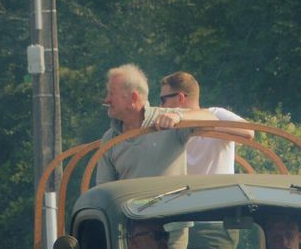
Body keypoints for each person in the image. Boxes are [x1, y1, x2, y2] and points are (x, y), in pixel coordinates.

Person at [95, 64, 224, 185]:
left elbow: (211, 119)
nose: (107, 100)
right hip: (129, 209)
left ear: (133, 98)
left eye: (111, 93)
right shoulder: (110, 139)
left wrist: (178, 116)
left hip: (172, 209)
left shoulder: (169, 119)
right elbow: (104, 192)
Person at [158, 71, 255, 175]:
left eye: (163, 100)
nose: (160, 105)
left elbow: (249, 132)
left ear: (180, 98)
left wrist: (208, 127)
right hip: (188, 190)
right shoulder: (169, 126)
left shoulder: (217, 113)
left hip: (221, 189)